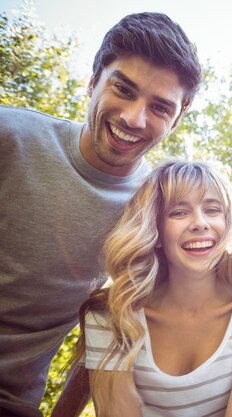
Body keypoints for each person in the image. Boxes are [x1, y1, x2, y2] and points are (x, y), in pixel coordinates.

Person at [0, 12, 202, 417]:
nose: (134, 118)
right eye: (123, 89)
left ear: (178, 117)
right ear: (93, 82)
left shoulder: (153, 208)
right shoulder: (11, 138)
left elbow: (115, 327)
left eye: (160, 107)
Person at [69, 160, 232, 417]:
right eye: (179, 212)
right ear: (154, 230)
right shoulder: (111, 316)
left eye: (212, 210)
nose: (200, 223)